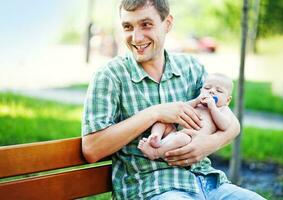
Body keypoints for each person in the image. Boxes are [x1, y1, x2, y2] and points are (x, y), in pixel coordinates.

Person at [81, 0, 266, 199]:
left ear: (167, 23)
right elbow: (92, 149)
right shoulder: (110, 76)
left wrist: (208, 144)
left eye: (146, 24)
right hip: (154, 189)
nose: (136, 37)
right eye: (128, 27)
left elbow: (232, 124)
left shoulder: (191, 67)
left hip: (208, 183)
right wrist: (155, 113)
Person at [138, 73, 234, 160]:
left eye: (219, 91)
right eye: (207, 88)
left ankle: (156, 152)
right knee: (163, 122)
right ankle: (156, 137)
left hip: (189, 141)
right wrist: (196, 101)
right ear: (201, 90)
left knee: (183, 138)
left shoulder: (223, 109)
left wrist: (213, 108)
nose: (212, 92)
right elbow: (180, 109)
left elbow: (224, 125)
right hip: (174, 133)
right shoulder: (198, 103)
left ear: (228, 100)